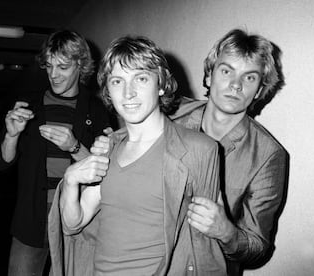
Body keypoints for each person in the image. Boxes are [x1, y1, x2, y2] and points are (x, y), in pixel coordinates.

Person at [91, 29, 289, 275]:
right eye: (226, 71)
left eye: (249, 78)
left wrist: (226, 232)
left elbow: (259, 247)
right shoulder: (171, 114)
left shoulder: (268, 156)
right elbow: (129, 142)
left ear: (259, 90)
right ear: (208, 76)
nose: (235, 85)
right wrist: (107, 145)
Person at [48, 36, 227, 275]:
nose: (128, 93)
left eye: (140, 78)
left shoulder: (200, 149)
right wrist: (70, 180)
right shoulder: (108, 148)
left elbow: (205, 247)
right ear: (108, 91)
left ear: (161, 84)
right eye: (117, 81)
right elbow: (73, 223)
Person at [0, 30, 113, 276]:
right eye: (49, 66)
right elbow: (1, 164)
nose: (53, 75)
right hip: (31, 223)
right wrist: (12, 135)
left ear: (80, 65)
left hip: (76, 224)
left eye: (63, 67)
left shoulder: (97, 109)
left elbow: (107, 172)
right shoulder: (29, 104)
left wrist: (75, 147)